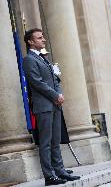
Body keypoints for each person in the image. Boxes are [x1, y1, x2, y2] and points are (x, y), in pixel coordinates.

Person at [23, 28, 80, 186]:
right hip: (44, 106)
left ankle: (60, 170)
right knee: (46, 142)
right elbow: (37, 82)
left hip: (54, 105)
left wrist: (59, 95)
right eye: (40, 38)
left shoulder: (43, 59)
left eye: (42, 37)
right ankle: (49, 175)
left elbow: (55, 80)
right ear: (30, 41)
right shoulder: (29, 60)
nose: (44, 40)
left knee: (55, 140)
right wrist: (55, 96)